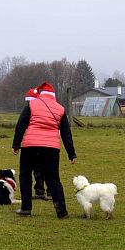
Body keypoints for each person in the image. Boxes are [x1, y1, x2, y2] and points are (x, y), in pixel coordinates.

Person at [12, 81, 76, 218]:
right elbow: (66, 133)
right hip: (51, 148)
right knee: (53, 178)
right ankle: (62, 212)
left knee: (25, 175)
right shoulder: (60, 109)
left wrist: (16, 145)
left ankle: (26, 208)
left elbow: (21, 124)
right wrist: (72, 154)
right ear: (53, 96)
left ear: (41, 94)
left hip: (30, 145)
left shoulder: (32, 104)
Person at [24, 88, 50, 200]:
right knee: (37, 168)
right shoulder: (28, 111)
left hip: (46, 142)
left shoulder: (44, 110)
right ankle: (39, 191)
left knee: (48, 168)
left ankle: (50, 191)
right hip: (34, 143)